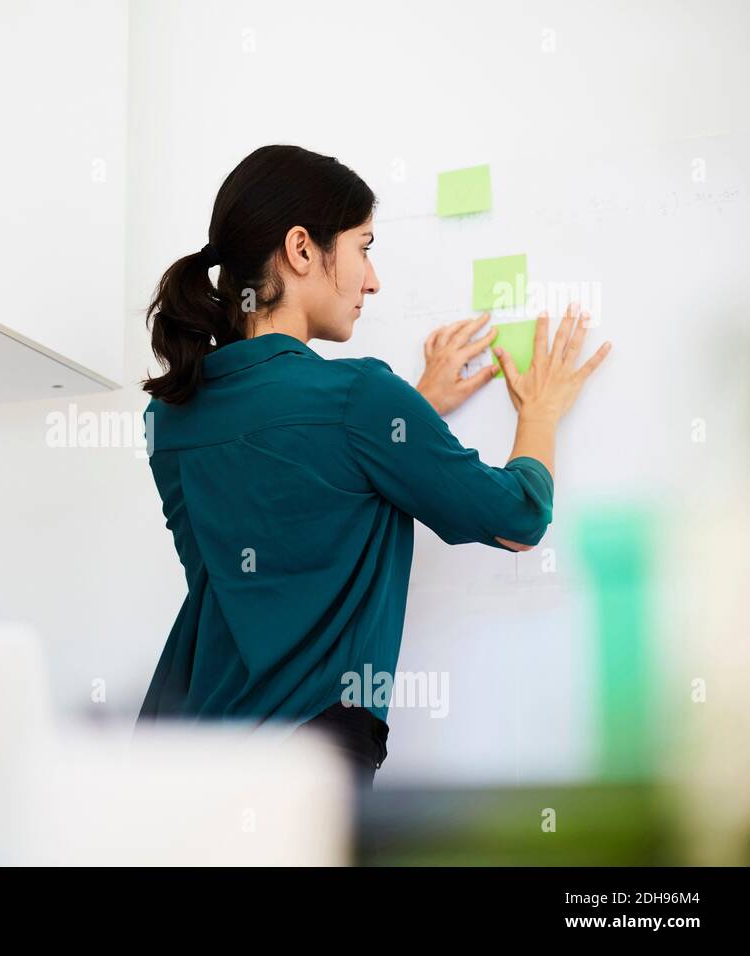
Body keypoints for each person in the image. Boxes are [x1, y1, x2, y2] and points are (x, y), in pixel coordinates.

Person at [135, 145, 610, 789]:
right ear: (302, 249)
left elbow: (304, 494)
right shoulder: (359, 399)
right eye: (364, 247)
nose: (373, 279)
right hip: (307, 767)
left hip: (175, 765)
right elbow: (517, 520)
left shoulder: (170, 418)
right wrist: (541, 414)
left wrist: (408, 415)